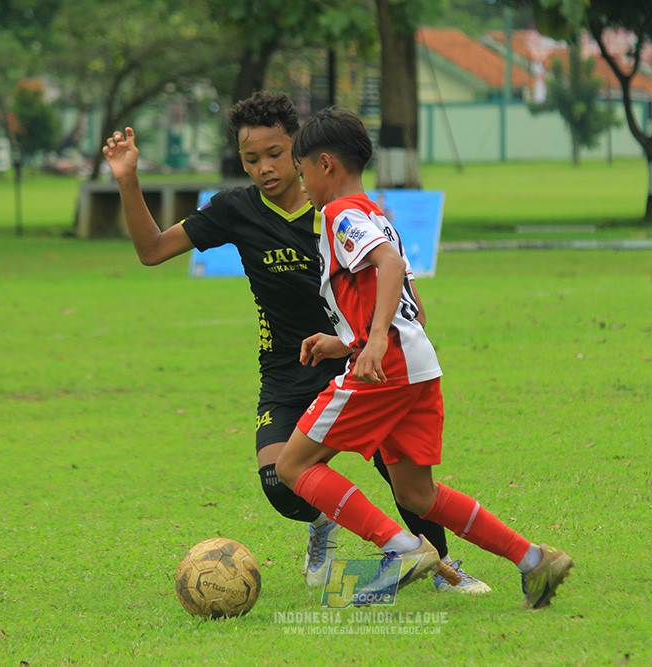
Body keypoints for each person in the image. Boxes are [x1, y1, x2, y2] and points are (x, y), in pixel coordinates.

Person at [101, 92, 489, 593]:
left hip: (354, 361)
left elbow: (396, 275)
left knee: (403, 479)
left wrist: (380, 343)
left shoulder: (337, 211)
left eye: (275, 154)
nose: (264, 168)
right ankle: (323, 523)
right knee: (280, 482)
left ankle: (445, 569)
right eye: (250, 159)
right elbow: (152, 250)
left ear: (302, 151)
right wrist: (128, 180)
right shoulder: (234, 210)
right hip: (286, 370)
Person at [274, 108, 573, 608]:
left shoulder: (339, 214)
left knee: (292, 465)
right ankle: (533, 561)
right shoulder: (377, 218)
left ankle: (401, 548)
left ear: (324, 164)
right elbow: (411, 305)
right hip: (416, 365)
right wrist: (348, 339)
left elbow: (388, 269)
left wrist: (370, 344)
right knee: (417, 495)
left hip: (384, 368)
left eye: (301, 170)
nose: (300, 183)